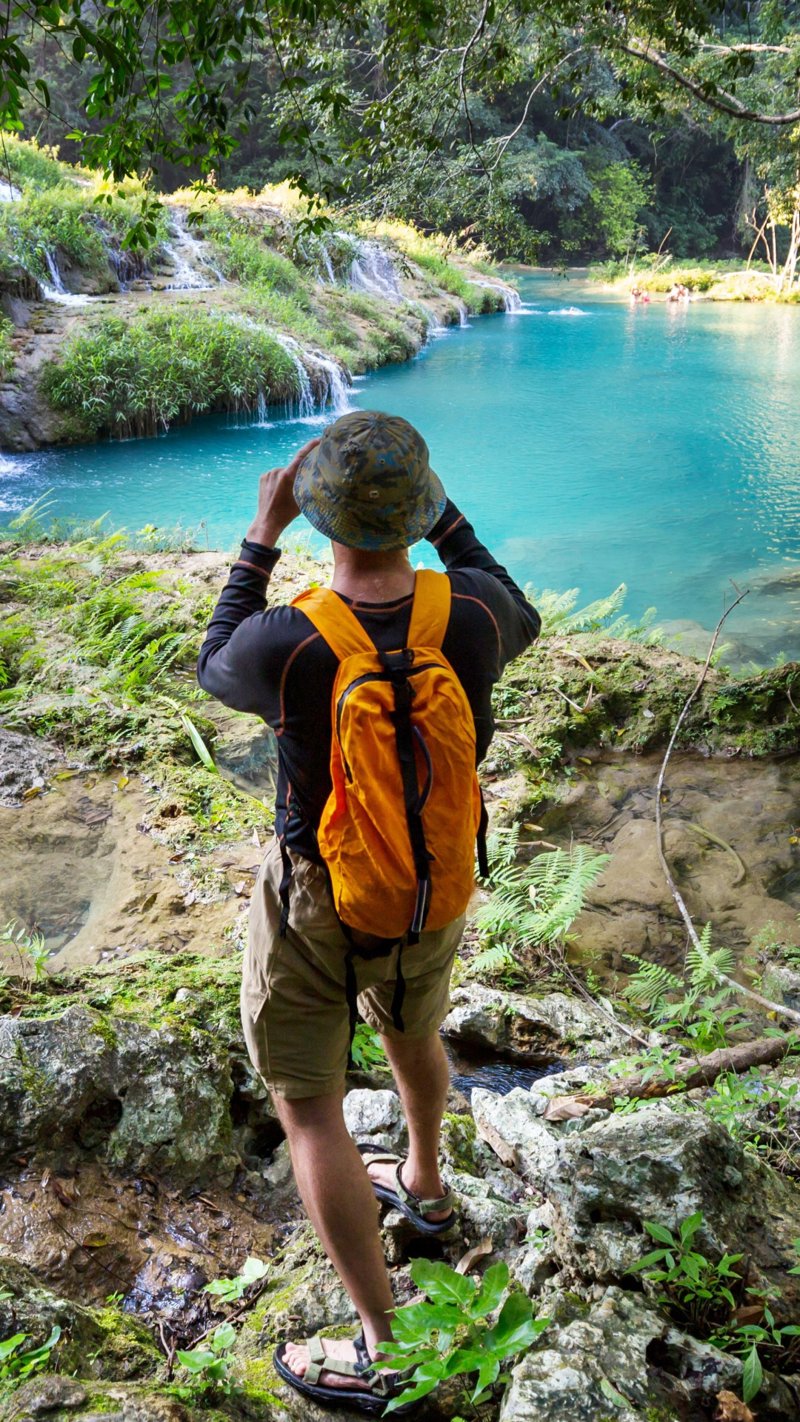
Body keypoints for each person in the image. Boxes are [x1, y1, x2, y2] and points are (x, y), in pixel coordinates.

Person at [197, 410, 540, 1414]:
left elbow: (215, 656)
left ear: (313, 517)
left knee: (308, 1112)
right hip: (433, 888)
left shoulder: (288, 642)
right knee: (414, 1025)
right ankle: (425, 1188)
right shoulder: (471, 613)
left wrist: (258, 537)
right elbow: (513, 596)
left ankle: (384, 1349)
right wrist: (439, 516)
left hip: (316, 900)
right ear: (425, 510)